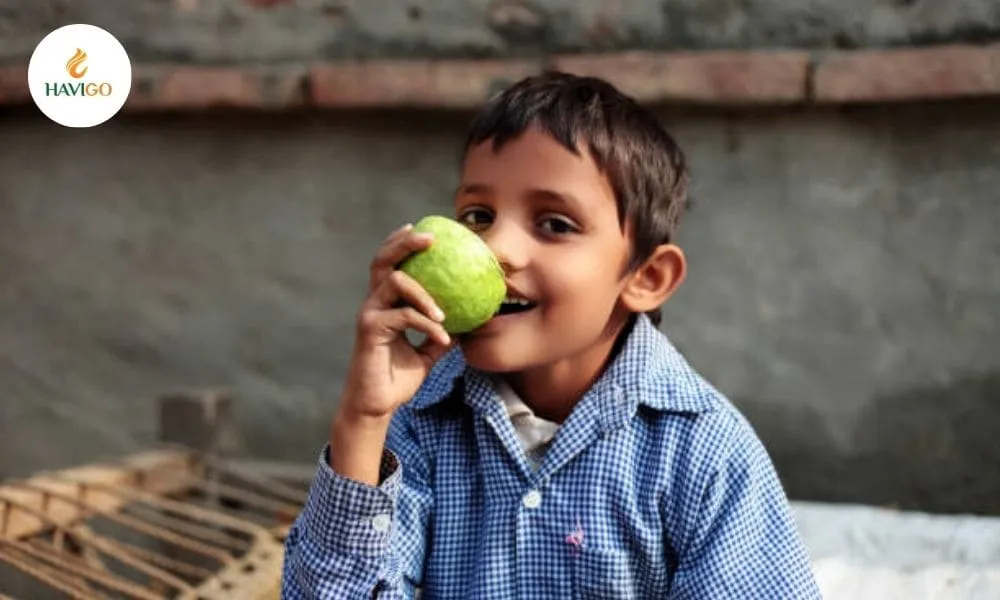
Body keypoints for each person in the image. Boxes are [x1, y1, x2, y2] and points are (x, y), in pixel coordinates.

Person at [280, 71, 821, 599]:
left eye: (555, 224)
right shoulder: (422, 424)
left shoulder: (705, 452)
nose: (496, 248)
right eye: (477, 215)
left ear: (645, 278)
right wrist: (363, 419)